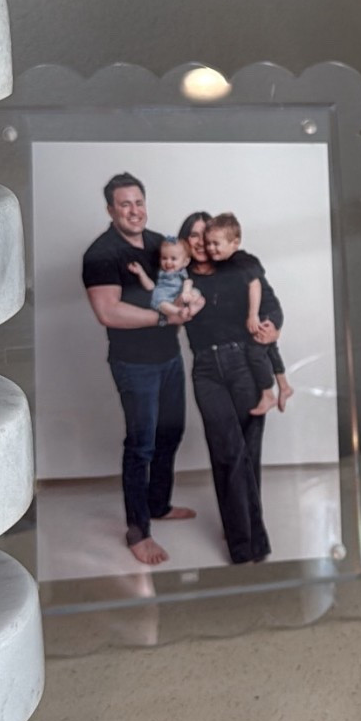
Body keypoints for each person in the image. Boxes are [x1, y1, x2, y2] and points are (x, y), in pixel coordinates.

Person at [82, 173, 202, 567]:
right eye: (125, 204)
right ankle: (138, 532)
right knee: (141, 446)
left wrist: (194, 301)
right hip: (135, 366)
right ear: (110, 210)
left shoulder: (159, 243)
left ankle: (159, 504)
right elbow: (108, 311)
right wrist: (165, 318)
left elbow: (183, 280)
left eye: (138, 202)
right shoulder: (101, 254)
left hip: (169, 358)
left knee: (171, 433)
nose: (134, 211)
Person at [178, 209, 276, 566]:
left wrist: (272, 333)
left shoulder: (238, 266)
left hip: (244, 365)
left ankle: (243, 530)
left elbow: (271, 308)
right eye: (194, 235)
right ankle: (246, 545)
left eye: (207, 235)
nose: (202, 242)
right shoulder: (181, 277)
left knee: (247, 454)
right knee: (228, 452)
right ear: (186, 240)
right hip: (206, 370)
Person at [201, 212, 294, 417]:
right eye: (208, 243)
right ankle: (284, 385)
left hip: (266, 310)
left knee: (255, 351)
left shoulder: (242, 260)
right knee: (268, 348)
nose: (210, 248)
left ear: (234, 243)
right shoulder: (223, 265)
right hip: (263, 311)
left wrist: (253, 315)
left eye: (216, 244)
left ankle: (267, 393)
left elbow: (254, 285)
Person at [128, 235, 203, 321]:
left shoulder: (182, 272)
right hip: (165, 298)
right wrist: (141, 273)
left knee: (196, 294)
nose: (168, 262)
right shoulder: (160, 273)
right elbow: (150, 287)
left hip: (181, 296)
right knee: (160, 303)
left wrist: (187, 292)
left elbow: (188, 282)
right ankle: (178, 311)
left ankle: (192, 309)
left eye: (173, 259)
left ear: (185, 262)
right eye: (164, 258)